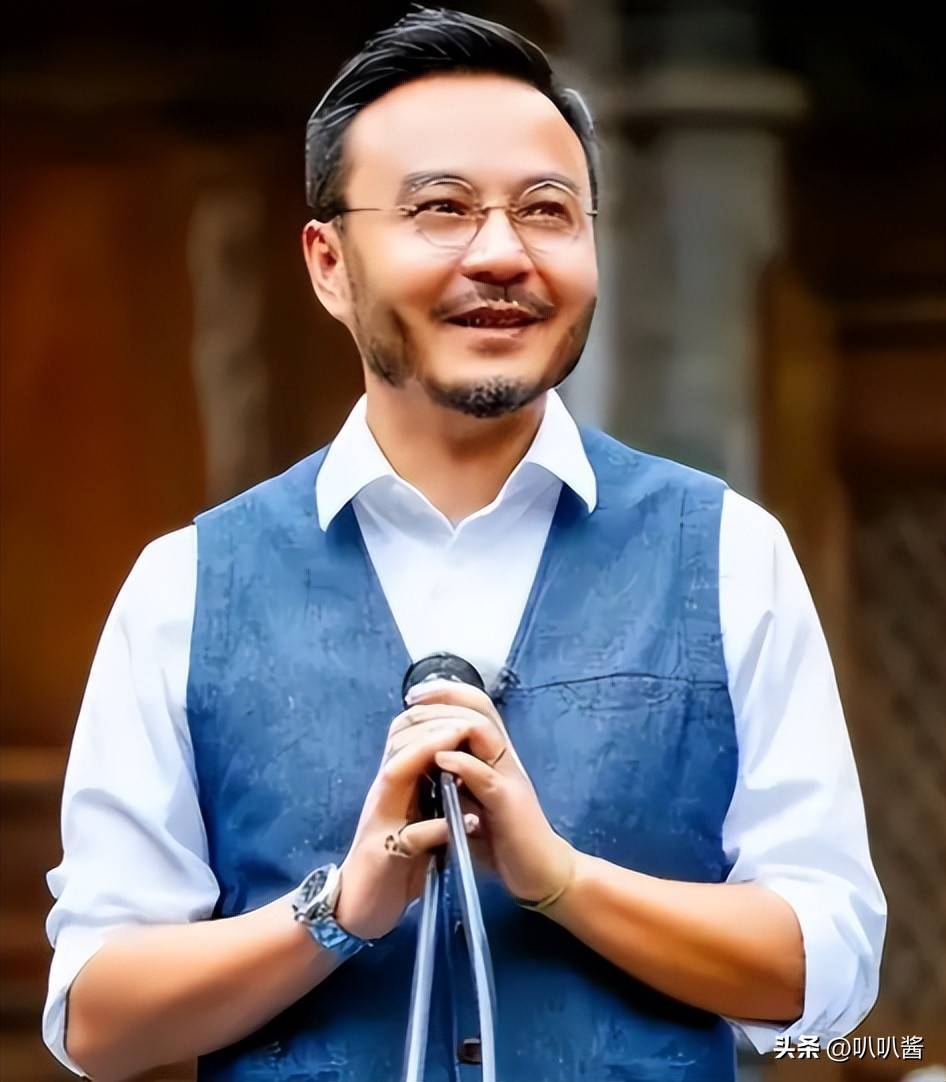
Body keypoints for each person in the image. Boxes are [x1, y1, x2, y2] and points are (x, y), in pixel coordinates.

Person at [43, 7, 886, 1081]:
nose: (501, 254)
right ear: (329, 262)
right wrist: (337, 910)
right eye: (440, 208)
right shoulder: (186, 585)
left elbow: (826, 974)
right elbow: (97, 1018)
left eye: (547, 210)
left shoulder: (728, 553)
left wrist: (561, 880)